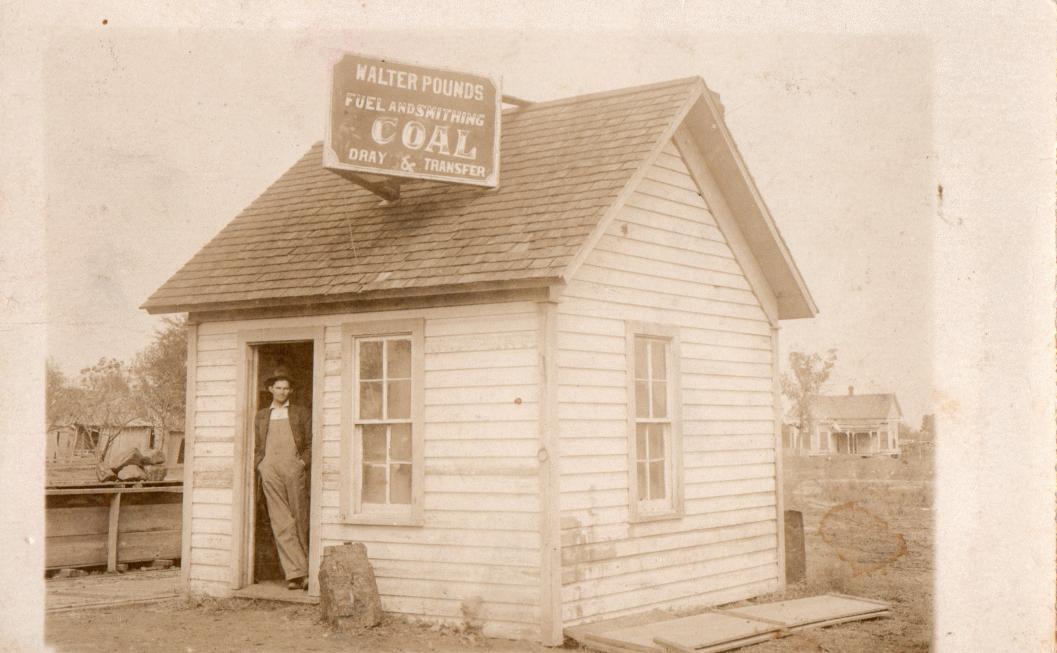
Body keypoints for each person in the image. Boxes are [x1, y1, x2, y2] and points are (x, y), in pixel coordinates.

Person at [254, 367, 312, 590]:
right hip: (270, 469)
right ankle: (295, 574)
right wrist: (261, 465)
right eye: (278, 388)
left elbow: (311, 443)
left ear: (291, 391)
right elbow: (257, 445)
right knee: (280, 522)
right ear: (270, 389)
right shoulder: (262, 415)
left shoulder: (300, 413)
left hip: (293, 469)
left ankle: (306, 571)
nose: (282, 392)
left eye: (286, 388)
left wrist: (302, 463)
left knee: (299, 519)